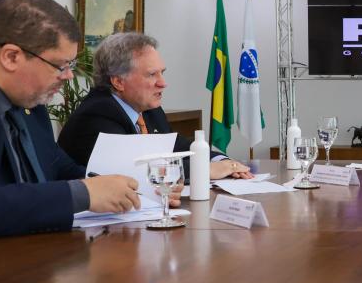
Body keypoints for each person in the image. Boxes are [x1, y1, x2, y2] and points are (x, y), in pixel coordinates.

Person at [0, 0, 140, 238]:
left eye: (71, 65)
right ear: (11, 57)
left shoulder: (32, 107)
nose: (69, 76)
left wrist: (123, 187)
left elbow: (60, 166)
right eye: (60, 66)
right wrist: (83, 194)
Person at [58, 32, 253, 180]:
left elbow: (179, 146)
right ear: (118, 81)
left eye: (162, 72)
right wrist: (204, 169)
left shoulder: (148, 108)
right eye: (152, 75)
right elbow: (134, 171)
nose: (163, 83)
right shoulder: (97, 114)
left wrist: (223, 162)